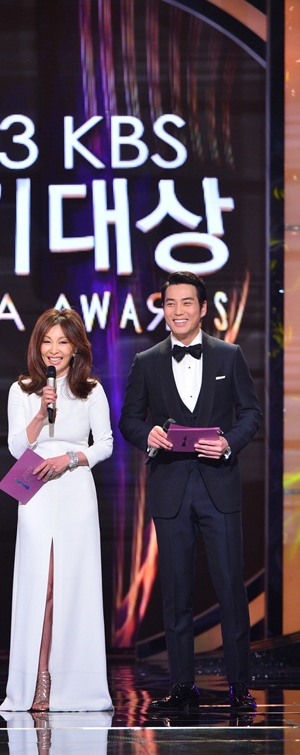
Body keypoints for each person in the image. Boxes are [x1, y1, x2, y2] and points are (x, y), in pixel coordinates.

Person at [119, 271, 262, 714]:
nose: (177, 311)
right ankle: (182, 685)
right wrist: (148, 435)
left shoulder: (229, 355)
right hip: (171, 490)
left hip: (219, 488)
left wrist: (228, 442)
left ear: (202, 309)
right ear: (162, 309)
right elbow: (128, 420)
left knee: (230, 588)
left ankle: (239, 684)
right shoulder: (146, 361)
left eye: (186, 303)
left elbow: (251, 413)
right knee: (175, 591)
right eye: (170, 303)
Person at [0, 308, 113, 713]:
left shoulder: (91, 390)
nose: (54, 350)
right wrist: (38, 413)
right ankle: (39, 677)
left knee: (73, 585)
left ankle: (75, 683)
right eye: (47, 341)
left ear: (75, 347)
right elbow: (16, 448)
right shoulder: (22, 390)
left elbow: (105, 444)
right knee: (42, 587)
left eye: (62, 342)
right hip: (36, 491)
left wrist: (71, 458)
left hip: (75, 489)